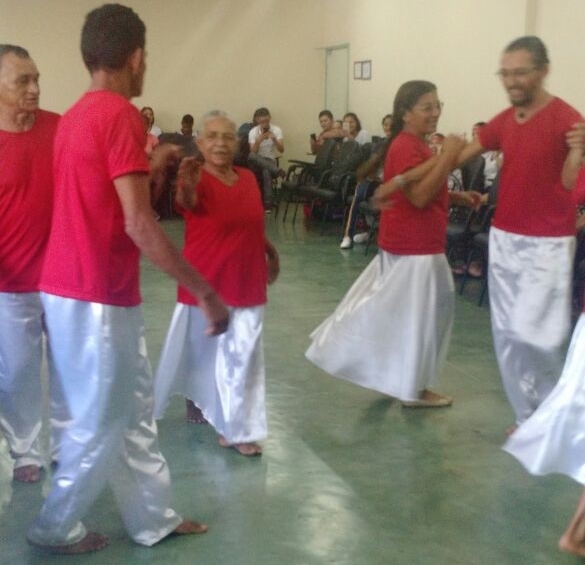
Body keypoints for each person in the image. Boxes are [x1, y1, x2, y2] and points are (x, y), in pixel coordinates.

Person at [26, 4, 229, 554]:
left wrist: (156, 167)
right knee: (104, 418)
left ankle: (152, 517)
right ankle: (53, 526)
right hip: (92, 294)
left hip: (86, 288)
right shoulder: (120, 115)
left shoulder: (76, 116)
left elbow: (106, 203)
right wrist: (205, 291)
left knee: (133, 408)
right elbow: (139, 224)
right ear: (136, 57)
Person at [306, 81, 480, 407]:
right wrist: (450, 156)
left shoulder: (412, 144)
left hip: (411, 244)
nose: (436, 112)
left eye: (437, 105)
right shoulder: (408, 146)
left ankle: (401, 380)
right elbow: (418, 196)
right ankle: (412, 389)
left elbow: (418, 186)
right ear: (406, 113)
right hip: (416, 248)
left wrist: (454, 195)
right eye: (426, 107)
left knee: (410, 317)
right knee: (422, 321)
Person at [456, 36, 584, 431]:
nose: (511, 82)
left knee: (540, 335)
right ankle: (526, 413)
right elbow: (463, 154)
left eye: (520, 73)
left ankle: (552, 412)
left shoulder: (567, 120)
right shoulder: (505, 120)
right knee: (508, 332)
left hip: (548, 241)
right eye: (506, 73)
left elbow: (568, 184)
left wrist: (579, 151)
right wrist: (431, 166)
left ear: (542, 71)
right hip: (504, 237)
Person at [154, 110, 279, 457]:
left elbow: (251, 224)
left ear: (237, 143)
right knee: (200, 354)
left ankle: (237, 429)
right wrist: (188, 183)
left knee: (243, 357)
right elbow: (186, 204)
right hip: (206, 281)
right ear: (200, 142)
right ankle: (200, 400)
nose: (220, 143)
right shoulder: (194, 177)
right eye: (212, 136)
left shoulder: (248, 178)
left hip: (246, 279)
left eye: (227, 136)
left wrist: (271, 253)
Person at [0, 44, 67, 484]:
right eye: (22, 81)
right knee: (18, 369)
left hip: (65, 277)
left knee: (70, 366)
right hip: (10, 280)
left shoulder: (59, 128)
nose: (34, 89)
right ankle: (25, 451)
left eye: (36, 79)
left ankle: (67, 444)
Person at [339, 114, 392, 249]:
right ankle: (348, 235)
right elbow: (371, 165)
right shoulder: (381, 143)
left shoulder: (401, 142)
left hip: (392, 184)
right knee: (360, 190)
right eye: (385, 124)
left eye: (391, 124)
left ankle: (373, 233)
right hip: (377, 181)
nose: (388, 127)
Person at [248, 107, 285, 210]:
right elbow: (252, 153)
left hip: (269, 160)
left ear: (270, 118)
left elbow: (282, 150)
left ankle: (267, 204)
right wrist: (258, 141)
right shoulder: (253, 132)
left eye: (266, 120)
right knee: (251, 156)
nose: (264, 123)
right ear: (258, 120)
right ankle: (278, 171)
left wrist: (274, 140)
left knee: (266, 171)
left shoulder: (277, 130)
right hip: (256, 161)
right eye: (262, 121)